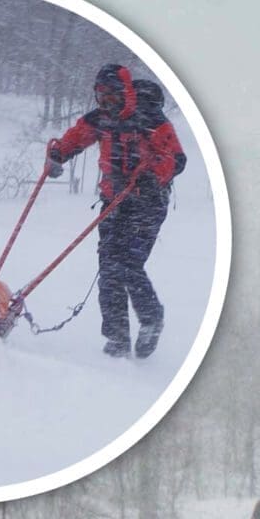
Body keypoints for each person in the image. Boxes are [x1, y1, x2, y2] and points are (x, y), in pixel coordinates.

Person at [48, 64, 185, 359]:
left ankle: (151, 319)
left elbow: (176, 158)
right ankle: (117, 338)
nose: (106, 103)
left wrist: (153, 177)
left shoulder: (151, 119)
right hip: (113, 202)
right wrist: (59, 153)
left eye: (112, 96)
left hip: (147, 204)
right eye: (100, 97)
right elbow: (77, 136)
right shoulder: (100, 120)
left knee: (128, 265)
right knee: (109, 270)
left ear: (126, 94)